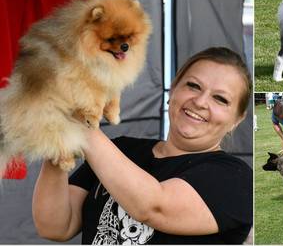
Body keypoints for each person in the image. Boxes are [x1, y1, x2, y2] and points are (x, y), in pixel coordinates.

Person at [32, 47, 253, 244]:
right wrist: (59, 136)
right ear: (173, 90)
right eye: (193, 86)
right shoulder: (120, 150)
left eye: (220, 99)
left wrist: (80, 115)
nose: (200, 102)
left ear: (236, 119)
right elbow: (56, 227)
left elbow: (153, 207)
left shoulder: (237, 178)